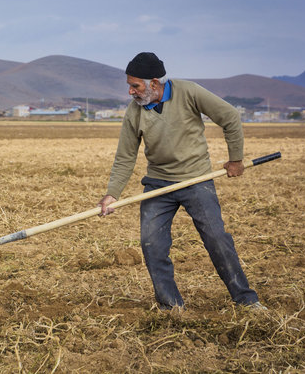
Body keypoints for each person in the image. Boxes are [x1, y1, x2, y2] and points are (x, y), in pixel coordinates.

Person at [97, 52, 265, 310]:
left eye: (135, 86)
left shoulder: (188, 92)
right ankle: (171, 307)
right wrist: (112, 194)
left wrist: (236, 159)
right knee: (152, 244)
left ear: (154, 83)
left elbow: (230, 117)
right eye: (129, 86)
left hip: (196, 180)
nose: (131, 92)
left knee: (217, 239)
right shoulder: (135, 111)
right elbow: (125, 156)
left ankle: (246, 300)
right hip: (157, 185)